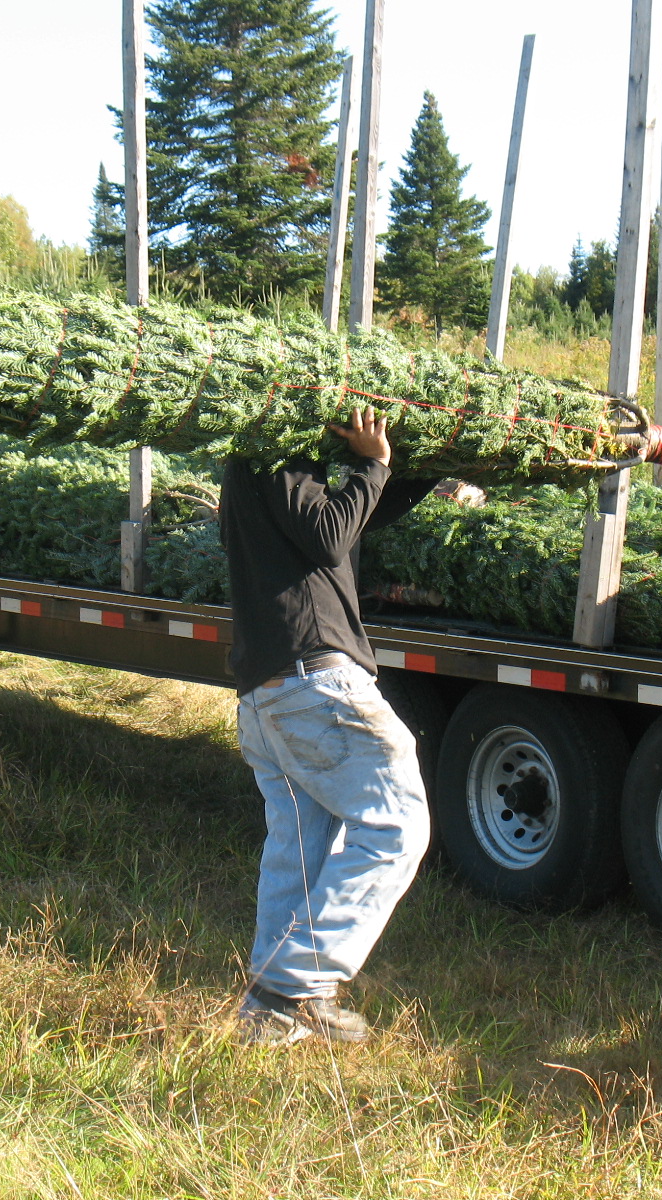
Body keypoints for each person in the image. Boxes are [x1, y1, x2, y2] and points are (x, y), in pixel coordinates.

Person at [220, 405, 439, 1045]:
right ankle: (292, 986)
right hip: (313, 684)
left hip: (268, 695)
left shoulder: (252, 466)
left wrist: (408, 469)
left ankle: (270, 1013)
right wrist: (371, 466)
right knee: (397, 826)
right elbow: (329, 535)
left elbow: (348, 520)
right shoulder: (277, 448)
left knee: (300, 847)